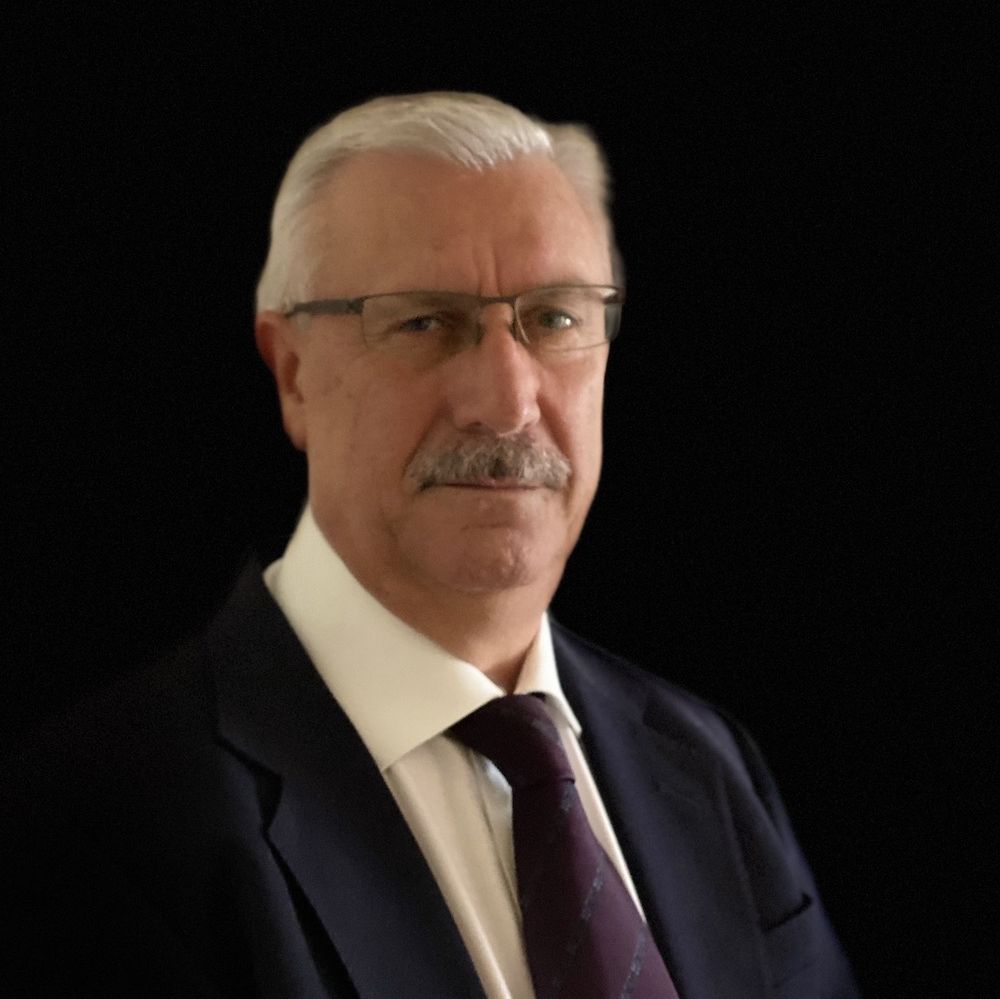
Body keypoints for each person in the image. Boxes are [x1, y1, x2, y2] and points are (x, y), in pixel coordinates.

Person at [2, 92, 858, 998]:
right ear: (293, 374)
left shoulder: (708, 763)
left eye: (555, 319)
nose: (508, 401)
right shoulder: (100, 823)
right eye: (426, 322)